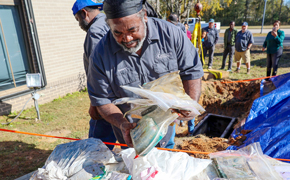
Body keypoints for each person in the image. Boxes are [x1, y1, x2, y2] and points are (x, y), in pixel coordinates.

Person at [87, 0, 204, 149]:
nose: (127, 38)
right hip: (132, 140)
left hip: (166, 129)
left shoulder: (171, 35)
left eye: (132, 30)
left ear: (144, 17)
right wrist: (122, 124)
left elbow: (192, 69)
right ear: (109, 26)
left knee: (165, 164)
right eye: (118, 32)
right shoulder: (100, 55)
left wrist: (190, 102)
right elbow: (102, 100)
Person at [72, 0, 116, 149]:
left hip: (106, 96)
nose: (79, 25)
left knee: (98, 144)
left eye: (78, 20)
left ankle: (96, 170)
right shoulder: (110, 22)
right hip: (120, 92)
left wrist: (95, 104)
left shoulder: (95, 31)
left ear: (84, 13)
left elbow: (97, 71)